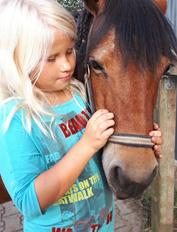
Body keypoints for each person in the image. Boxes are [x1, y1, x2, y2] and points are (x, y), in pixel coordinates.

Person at [0, 0, 163, 231]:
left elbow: (100, 151)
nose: (67, 65)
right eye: (51, 58)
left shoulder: (79, 95)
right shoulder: (14, 118)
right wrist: (86, 145)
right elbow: (29, 202)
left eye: (70, 51)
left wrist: (141, 143)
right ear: (18, 59)